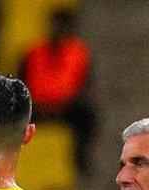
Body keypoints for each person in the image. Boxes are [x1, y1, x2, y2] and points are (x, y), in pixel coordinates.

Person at [19, 8, 95, 175]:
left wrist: (66, 102)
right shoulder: (32, 53)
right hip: (36, 107)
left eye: (63, 26)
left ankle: (79, 162)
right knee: (13, 116)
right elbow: (20, 85)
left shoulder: (79, 53)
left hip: (66, 107)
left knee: (87, 115)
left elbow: (85, 86)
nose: (58, 31)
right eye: (56, 26)